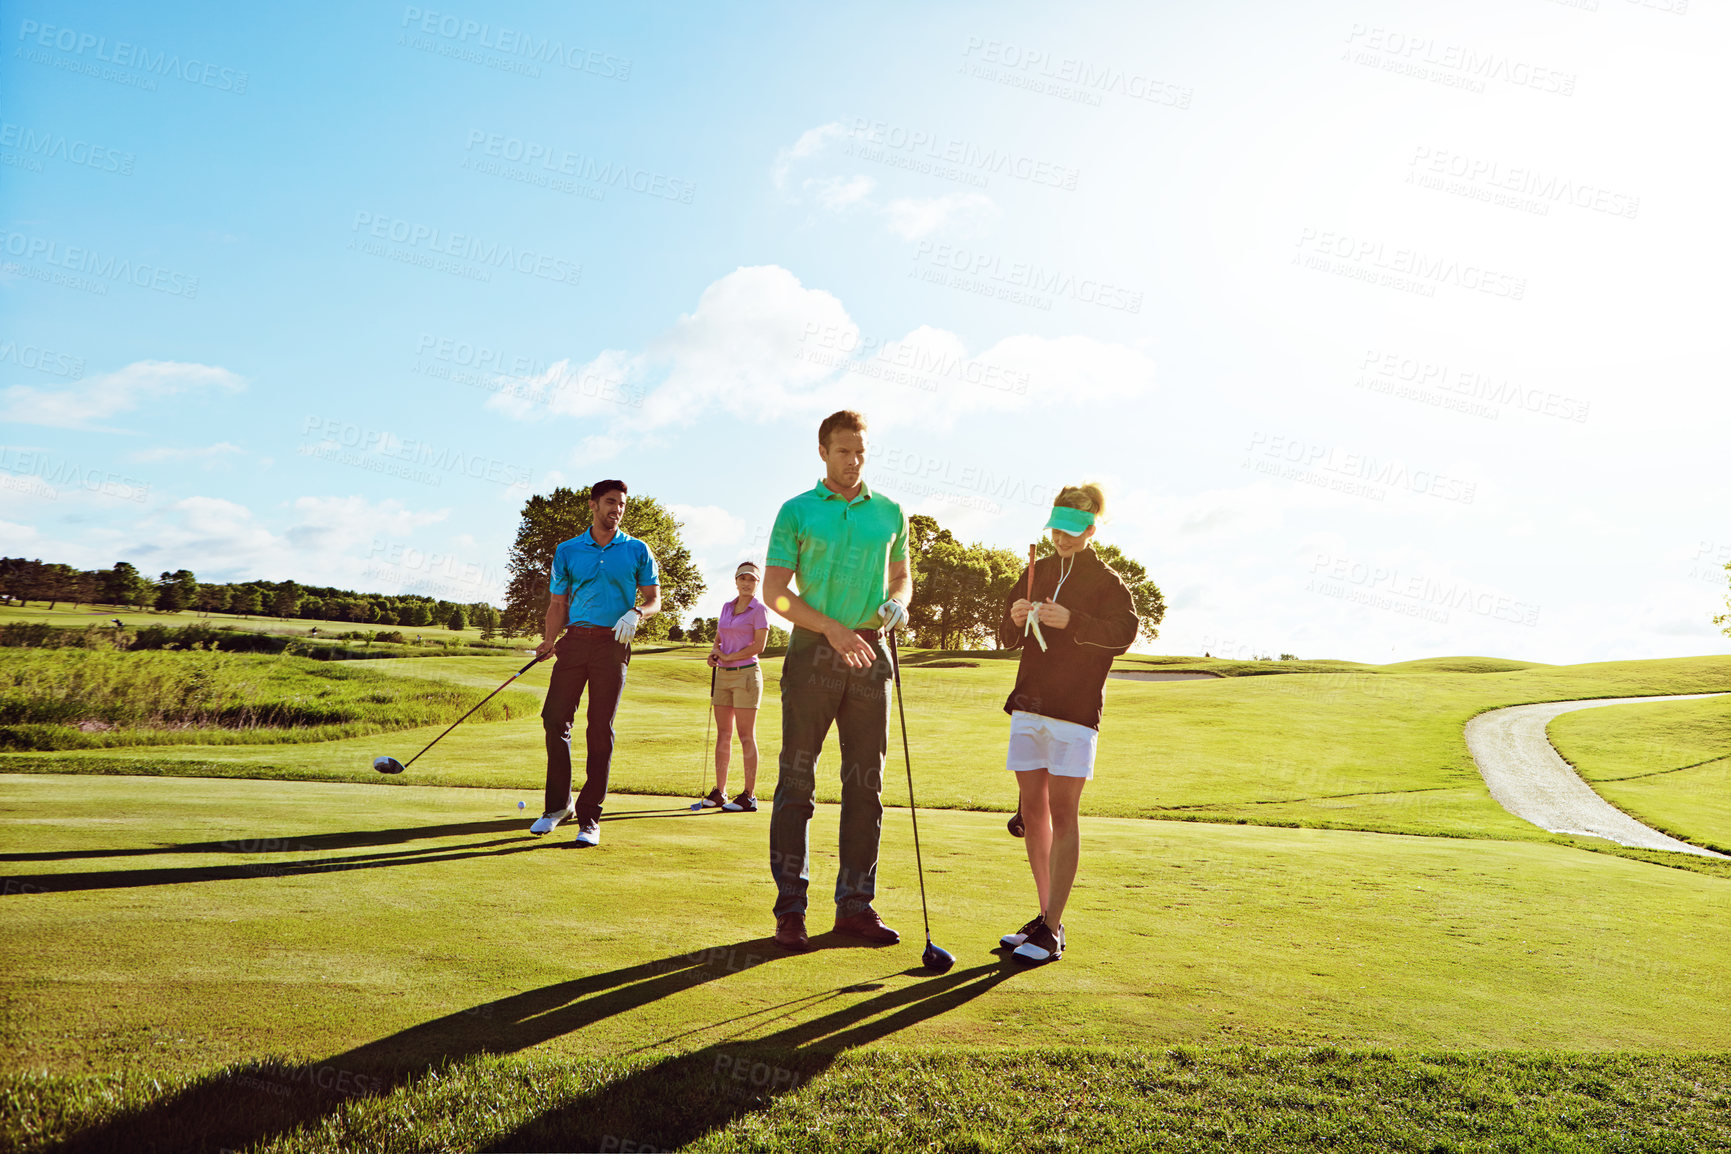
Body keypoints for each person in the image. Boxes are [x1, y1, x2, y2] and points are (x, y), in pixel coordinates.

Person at [763, 410, 911, 952]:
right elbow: (775, 592)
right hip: (812, 655)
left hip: (872, 653)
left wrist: (898, 603)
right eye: (844, 451)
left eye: (861, 452)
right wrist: (830, 629)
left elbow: (901, 576)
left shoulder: (891, 512)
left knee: (865, 786)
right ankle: (791, 911)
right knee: (797, 785)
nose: (853, 461)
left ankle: (855, 906)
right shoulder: (797, 511)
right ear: (823, 452)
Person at [996, 484, 1139, 964]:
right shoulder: (1035, 570)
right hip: (1029, 706)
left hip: (1075, 712)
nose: (1062, 537)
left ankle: (1053, 928)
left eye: (1073, 530)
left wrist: (1072, 620)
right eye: (1057, 528)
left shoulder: (1107, 581)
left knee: (1062, 812)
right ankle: (1043, 918)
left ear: (1092, 528)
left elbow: (1123, 634)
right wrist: (1015, 618)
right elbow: (1004, 636)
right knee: (1033, 813)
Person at [529, 479, 661, 846]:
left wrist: (637, 612)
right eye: (609, 502)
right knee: (554, 718)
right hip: (575, 641)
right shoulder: (568, 550)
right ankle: (558, 807)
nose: (616, 509)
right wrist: (549, 640)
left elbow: (654, 599)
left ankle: (590, 817)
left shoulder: (637, 550)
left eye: (621, 504)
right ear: (593, 505)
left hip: (612, 646)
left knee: (600, 728)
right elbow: (557, 603)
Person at [695, 561, 770, 813]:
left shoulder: (759, 610)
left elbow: (759, 646)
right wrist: (715, 654)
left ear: (757, 583)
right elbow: (720, 637)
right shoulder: (727, 607)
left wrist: (730, 657)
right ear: (736, 581)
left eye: (752, 579)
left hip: (747, 674)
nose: (746, 583)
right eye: (742, 578)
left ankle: (749, 795)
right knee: (723, 734)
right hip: (723, 675)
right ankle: (720, 792)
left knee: (746, 735)